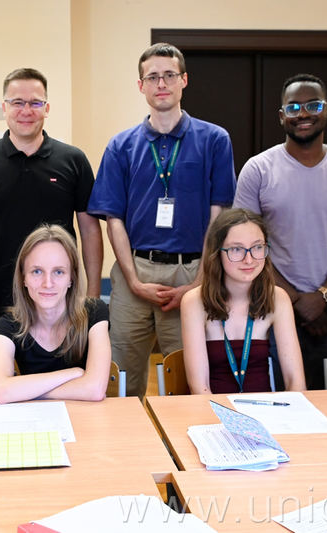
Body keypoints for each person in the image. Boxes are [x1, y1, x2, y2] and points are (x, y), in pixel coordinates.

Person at [87, 43, 237, 399]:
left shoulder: (215, 140)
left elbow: (218, 217)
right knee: (121, 377)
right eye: (152, 77)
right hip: (134, 270)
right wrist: (134, 281)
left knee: (187, 376)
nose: (161, 83)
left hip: (192, 272)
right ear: (141, 86)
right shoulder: (121, 146)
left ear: (184, 80)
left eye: (169, 75)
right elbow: (113, 219)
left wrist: (199, 282)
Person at [233, 73, 327, 390]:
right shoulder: (258, 169)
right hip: (270, 299)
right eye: (293, 107)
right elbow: (245, 246)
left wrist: (323, 297)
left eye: (313, 105)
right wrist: (293, 300)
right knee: (275, 394)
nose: (303, 113)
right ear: (282, 116)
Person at [0, 68, 103, 353]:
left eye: (35, 102)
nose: (26, 110)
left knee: (65, 375)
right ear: (4, 107)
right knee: (6, 378)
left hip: (61, 298)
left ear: (47, 108)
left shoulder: (74, 160)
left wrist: (92, 295)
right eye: (17, 102)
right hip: (1, 300)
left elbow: (90, 231)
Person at [181, 209, 306, 394]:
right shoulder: (194, 301)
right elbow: (199, 387)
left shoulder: (278, 298)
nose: (249, 259)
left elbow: (295, 381)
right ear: (217, 253)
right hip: (211, 407)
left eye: (257, 247)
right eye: (236, 249)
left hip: (264, 408)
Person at [0, 225, 111, 404]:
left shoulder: (94, 312)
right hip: (32, 419)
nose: (47, 283)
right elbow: (1, 392)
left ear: (71, 278)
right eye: (37, 271)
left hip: (86, 418)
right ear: (23, 278)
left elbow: (95, 390)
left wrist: (25, 391)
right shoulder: (8, 325)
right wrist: (74, 374)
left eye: (58, 272)